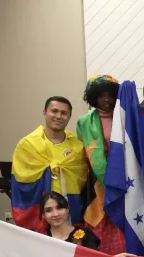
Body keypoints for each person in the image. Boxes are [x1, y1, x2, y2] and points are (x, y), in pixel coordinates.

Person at [12, 96, 88, 230]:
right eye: (54, 111)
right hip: (40, 212)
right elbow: (21, 181)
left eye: (64, 113)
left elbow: (82, 181)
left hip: (69, 211)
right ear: (45, 112)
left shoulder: (77, 148)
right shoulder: (28, 144)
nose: (59, 116)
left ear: (69, 117)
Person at [77, 75, 126, 255]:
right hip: (98, 183)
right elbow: (82, 154)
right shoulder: (83, 122)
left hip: (124, 180)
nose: (106, 99)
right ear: (93, 97)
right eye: (101, 95)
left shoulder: (124, 117)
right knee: (100, 224)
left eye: (110, 95)